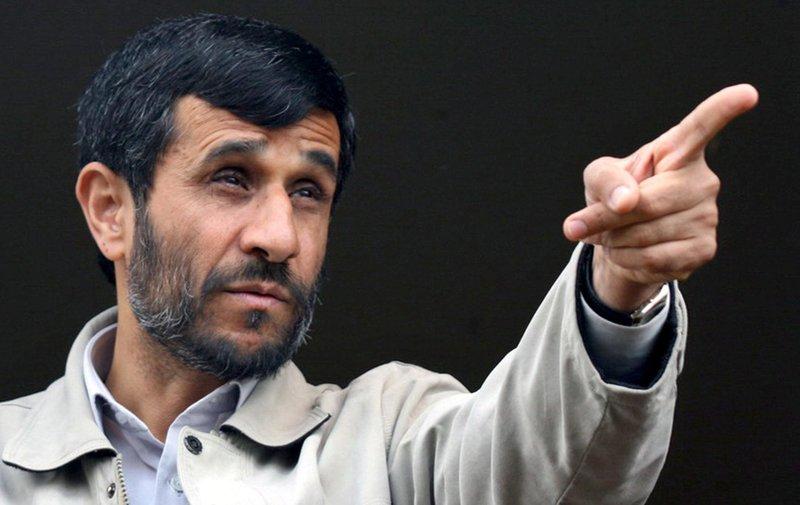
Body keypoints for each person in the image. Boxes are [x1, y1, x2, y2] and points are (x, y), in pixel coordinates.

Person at [0, 13, 757, 505]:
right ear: (111, 210)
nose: (280, 236)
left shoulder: (394, 445)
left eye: (309, 190)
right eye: (231, 177)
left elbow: (549, 468)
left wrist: (621, 280)